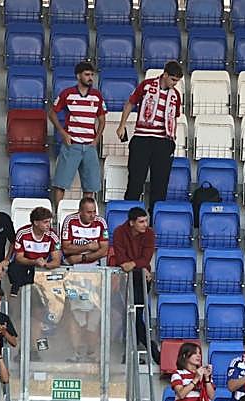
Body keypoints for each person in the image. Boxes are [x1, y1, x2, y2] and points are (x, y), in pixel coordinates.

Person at [119, 60, 184, 206]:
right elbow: (130, 102)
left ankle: (154, 220)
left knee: (160, 184)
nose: (175, 83)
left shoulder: (176, 95)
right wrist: (122, 125)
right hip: (142, 137)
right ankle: (131, 216)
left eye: (177, 81)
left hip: (163, 141)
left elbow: (174, 118)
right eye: (173, 79)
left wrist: (172, 140)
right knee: (135, 180)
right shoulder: (147, 85)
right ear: (165, 75)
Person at [48, 61, 106, 207]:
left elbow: (102, 119)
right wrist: (63, 133)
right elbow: (52, 113)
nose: (90, 78)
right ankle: (58, 215)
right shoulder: (67, 94)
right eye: (87, 74)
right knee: (61, 183)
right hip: (71, 144)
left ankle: (86, 215)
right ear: (78, 76)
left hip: (89, 146)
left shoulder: (97, 96)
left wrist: (96, 139)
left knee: (90, 186)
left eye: (92, 75)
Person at [109, 205, 156, 346]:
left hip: (141, 278)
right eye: (141, 222)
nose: (145, 225)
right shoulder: (119, 232)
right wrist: (139, 266)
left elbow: (146, 258)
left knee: (137, 314)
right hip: (125, 277)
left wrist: (134, 265)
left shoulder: (149, 234)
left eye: (146, 221)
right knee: (128, 315)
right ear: (131, 222)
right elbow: (122, 260)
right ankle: (147, 349)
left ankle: (136, 349)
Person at [8, 206, 63, 295]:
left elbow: (57, 261)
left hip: (43, 266)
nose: (48, 225)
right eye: (45, 222)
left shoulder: (52, 235)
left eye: (49, 221)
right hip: (25, 264)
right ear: (36, 222)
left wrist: (45, 264)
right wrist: (34, 261)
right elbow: (19, 258)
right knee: (15, 267)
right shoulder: (22, 233)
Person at [61, 196, 110, 267]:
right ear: (80, 212)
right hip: (72, 264)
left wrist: (83, 258)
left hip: (94, 264)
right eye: (89, 212)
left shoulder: (101, 222)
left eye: (94, 212)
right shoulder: (70, 220)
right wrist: (88, 246)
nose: (92, 215)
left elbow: (104, 251)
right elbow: (66, 249)